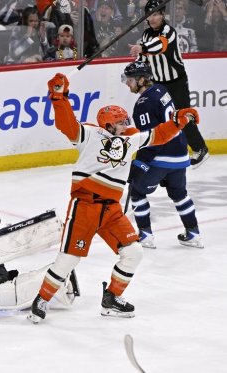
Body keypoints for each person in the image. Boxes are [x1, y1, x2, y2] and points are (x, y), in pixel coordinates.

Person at [27, 72, 200, 323]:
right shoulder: (90, 135)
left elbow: (159, 135)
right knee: (69, 258)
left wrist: (178, 120)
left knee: (134, 252)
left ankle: (111, 299)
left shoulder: (130, 138)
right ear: (107, 125)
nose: (125, 124)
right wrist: (59, 97)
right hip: (85, 206)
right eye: (120, 122)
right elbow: (66, 124)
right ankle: (41, 300)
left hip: (111, 210)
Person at [123, 61, 203, 249]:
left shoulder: (143, 103)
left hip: (161, 157)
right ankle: (193, 233)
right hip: (180, 154)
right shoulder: (161, 89)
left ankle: (145, 236)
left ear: (142, 80)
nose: (128, 83)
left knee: (137, 191)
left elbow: (151, 139)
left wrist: (140, 163)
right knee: (179, 194)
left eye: (130, 80)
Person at [129, 0, 209, 168]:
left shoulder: (169, 31)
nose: (152, 18)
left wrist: (142, 48)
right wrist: (134, 68)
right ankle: (163, 151)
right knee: (160, 120)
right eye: (150, 15)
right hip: (158, 84)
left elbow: (160, 46)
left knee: (182, 116)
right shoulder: (145, 35)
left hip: (176, 82)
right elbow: (143, 59)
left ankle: (200, 148)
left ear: (163, 15)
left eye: (156, 14)